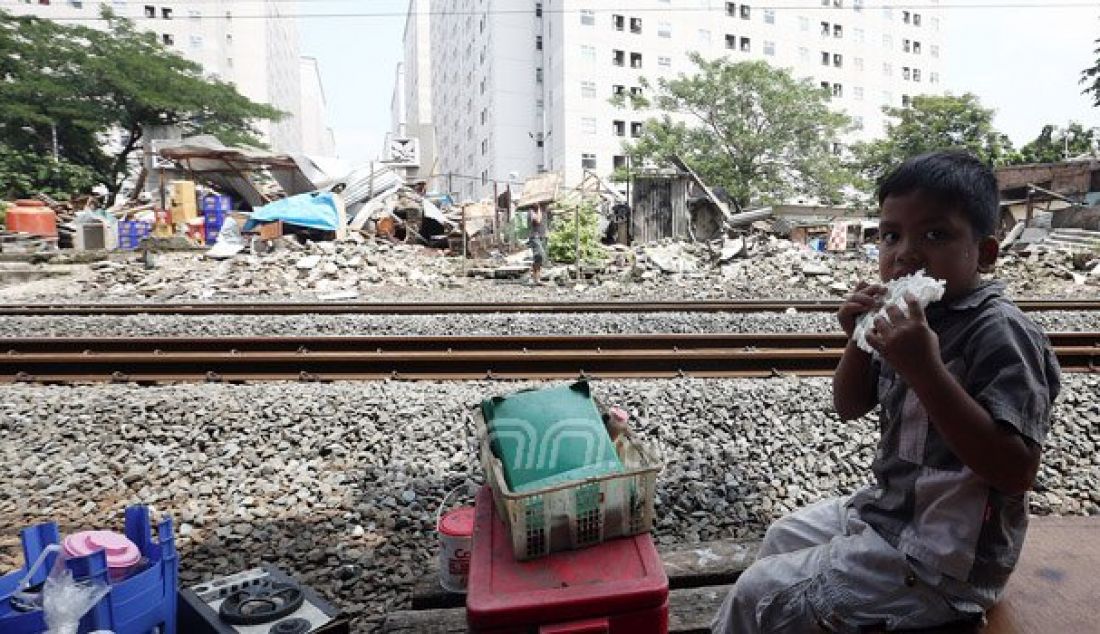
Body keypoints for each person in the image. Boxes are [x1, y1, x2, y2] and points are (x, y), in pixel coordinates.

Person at [712, 150, 1061, 633]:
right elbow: (849, 405)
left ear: (984, 253)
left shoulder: (1000, 332)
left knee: (757, 594)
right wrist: (856, 339)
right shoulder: (902, 317)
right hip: (891, 511)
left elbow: (1016, 469)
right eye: (891, 235)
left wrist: (926, 369)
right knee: (782, 535)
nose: (906, 254)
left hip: (946, 558)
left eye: (935, 234)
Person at [528, 204, 550, 284]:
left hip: (542, 236)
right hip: (535, 237)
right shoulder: (532, 211)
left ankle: (536, 278)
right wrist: (539, 208)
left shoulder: (543, 210)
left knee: (540, 259)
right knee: (539, 255)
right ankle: (535, 278)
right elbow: (537, 220)